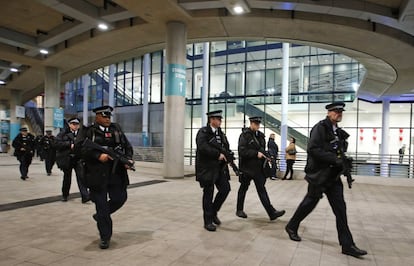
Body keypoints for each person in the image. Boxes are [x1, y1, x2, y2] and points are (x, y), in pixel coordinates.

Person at [285, 102, 367, 258]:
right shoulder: (320, 128)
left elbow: (337, 152)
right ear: (329, 113)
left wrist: (344, 161)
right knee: (309, 204)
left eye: (341, 111)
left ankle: (347, 245)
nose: (339, 113)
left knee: (340, 210)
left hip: (333, 177)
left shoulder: (338, 132)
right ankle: (291, 226)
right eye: (336, 111)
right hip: (320, 176)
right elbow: (313, 149)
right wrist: (334, 159)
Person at [78, 106, 134, 249]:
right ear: (97, 117)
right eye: (105, 116)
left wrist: (128, 160)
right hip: (96, 174)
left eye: (109, 116)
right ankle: (105, 237)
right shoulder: (88, 131)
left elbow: (127, 146)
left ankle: (101, 216)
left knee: (120, 198)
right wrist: (97, 155)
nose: (108, 119)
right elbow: (79, 149)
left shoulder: (117, 129)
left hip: (116, 173)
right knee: (101, 206)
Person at [235, 116, 285, 220]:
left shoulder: (261, 136)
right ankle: (239, 209)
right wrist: (255, 154)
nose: (257, 126)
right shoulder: (244, 136)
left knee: (262, 190)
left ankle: (271, 213)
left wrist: (268, 156)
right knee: (243, 188)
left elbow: (262, 150)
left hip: (258, 169)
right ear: (251, 123)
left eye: (258, 124)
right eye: (255, 123)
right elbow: (242, 151)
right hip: (247, 168)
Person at [195, 110, 232, 232]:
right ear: (211, 120)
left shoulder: (221, 133)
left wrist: (228, 155)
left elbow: (225, 147)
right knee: (208, 194)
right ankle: (208, 221)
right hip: (207, 168)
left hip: (220, 168)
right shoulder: (203, 132)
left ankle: (213, 212)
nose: (220, 121)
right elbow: (202, 147)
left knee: (225, 189)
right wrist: (217, 154)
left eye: (220, 119)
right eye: (218, 119)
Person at [55, 118, 90, 203]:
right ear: (69, 124)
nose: (75, 126)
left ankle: (85, 196)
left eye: (77, 124)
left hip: (78, 159)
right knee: (67, 178)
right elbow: (56, 143)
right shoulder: (63, 133)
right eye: (73, 124)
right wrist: (69, 145)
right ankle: (65, 195)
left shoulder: (81, 134)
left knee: (81, 177)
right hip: (67, 158)